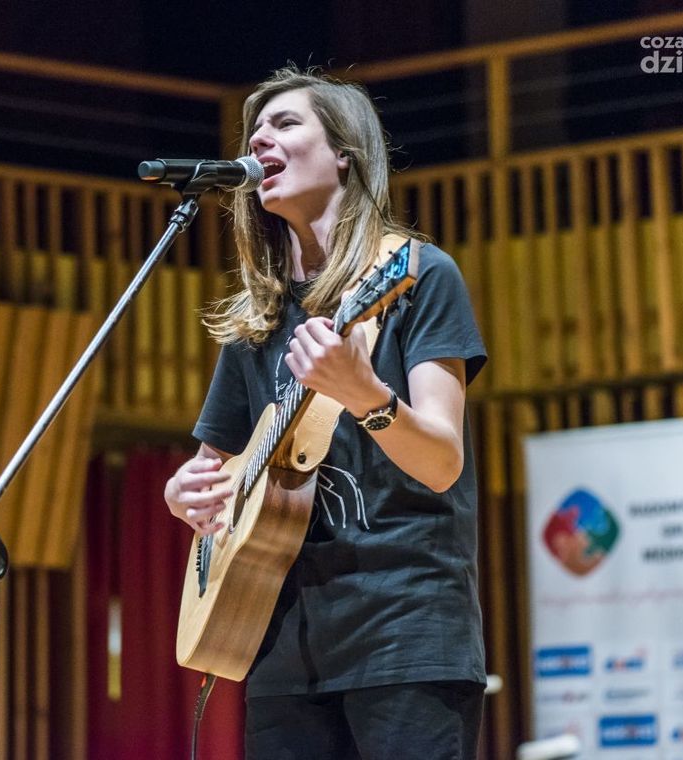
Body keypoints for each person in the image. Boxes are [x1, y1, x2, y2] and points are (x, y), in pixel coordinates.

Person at [163, 66, 488, 759]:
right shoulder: (261, 319)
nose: (261, 139)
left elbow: (441, 461)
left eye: (285, 124)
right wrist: (181, 494)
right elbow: (209, 468)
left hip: (407, 633)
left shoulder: (418, 275)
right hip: (280, 642)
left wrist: (361, 392)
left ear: (344, 150)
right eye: (255, 130)